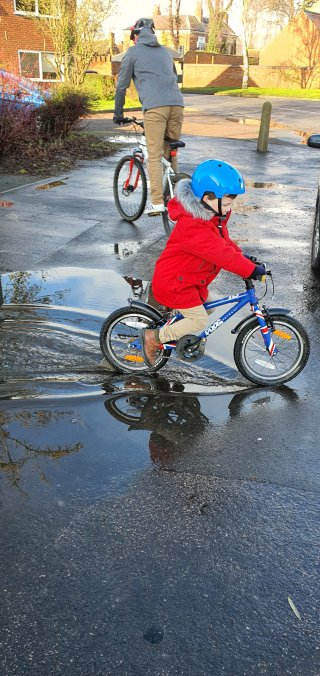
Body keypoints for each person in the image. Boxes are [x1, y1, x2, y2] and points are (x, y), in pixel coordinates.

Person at [140, 159, 266, 366]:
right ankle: (154, 338)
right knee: (199, 319)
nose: (228, 209)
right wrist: (250, 270)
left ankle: (173, 329)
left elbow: (225, 244)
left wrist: (245, 259)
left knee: (209, 306)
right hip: (174, 283)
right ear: (207, 198)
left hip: (186, 281)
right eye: (226, 203)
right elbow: (220, 254)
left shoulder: (210, 218)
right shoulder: (194, 226)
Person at [113, 17, 184, 216]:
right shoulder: (165, 52)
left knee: (154, 155)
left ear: (135, 36)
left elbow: (121, 86)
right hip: (177, 105)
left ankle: (158, 203)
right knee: (170, 151)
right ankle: (174, 196)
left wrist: (118, 113)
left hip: (155, 107)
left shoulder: (133, 52)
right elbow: (172, 77)